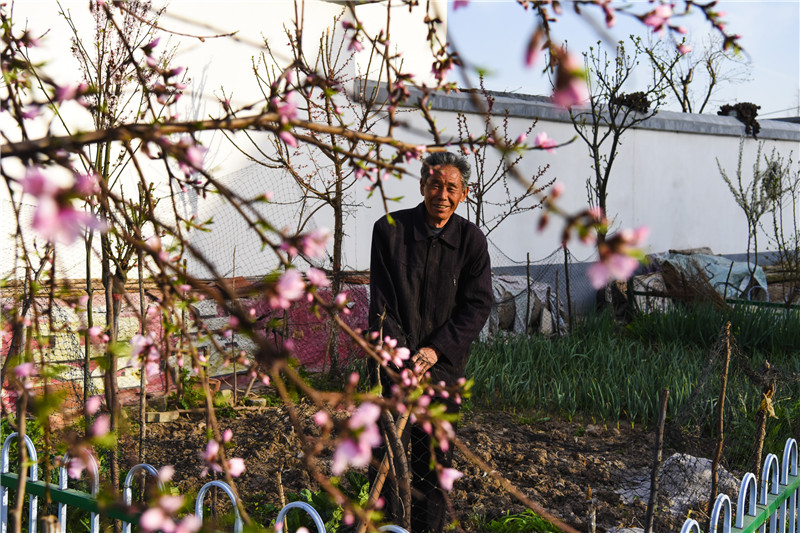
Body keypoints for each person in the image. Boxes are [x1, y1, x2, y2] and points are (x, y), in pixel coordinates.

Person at [368, 151, 493, 532]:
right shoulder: (390, 231)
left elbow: (477, 306)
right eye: (435, 184)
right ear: (422, 185)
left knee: (433, 466)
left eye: (451, 187)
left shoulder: (471, 242)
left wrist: (433, 352)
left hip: (442, 371)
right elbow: (382, 303)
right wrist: (405, 360)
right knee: (385, 458)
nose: (442, 193)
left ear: (464, 194)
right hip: (392, 368)